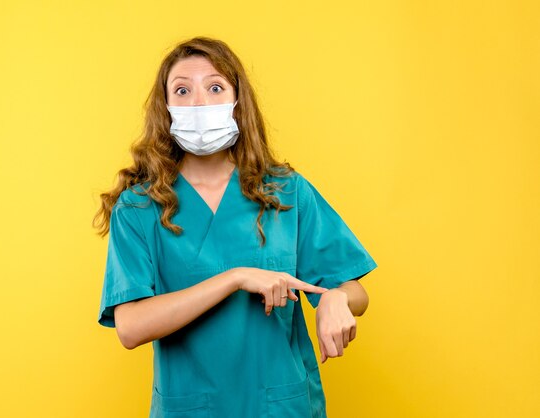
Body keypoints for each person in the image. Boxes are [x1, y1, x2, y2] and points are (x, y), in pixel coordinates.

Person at [93, 36, 378, 418]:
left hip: (281, 406)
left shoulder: (286, 191)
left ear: (237, 103)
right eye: (182, 90)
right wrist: (235, 278)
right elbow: (130, 327)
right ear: (166, 108)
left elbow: (353, 289)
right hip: (192, 408)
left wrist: (336, 299)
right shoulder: (138, 208)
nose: (199, 102)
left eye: (215, 87)